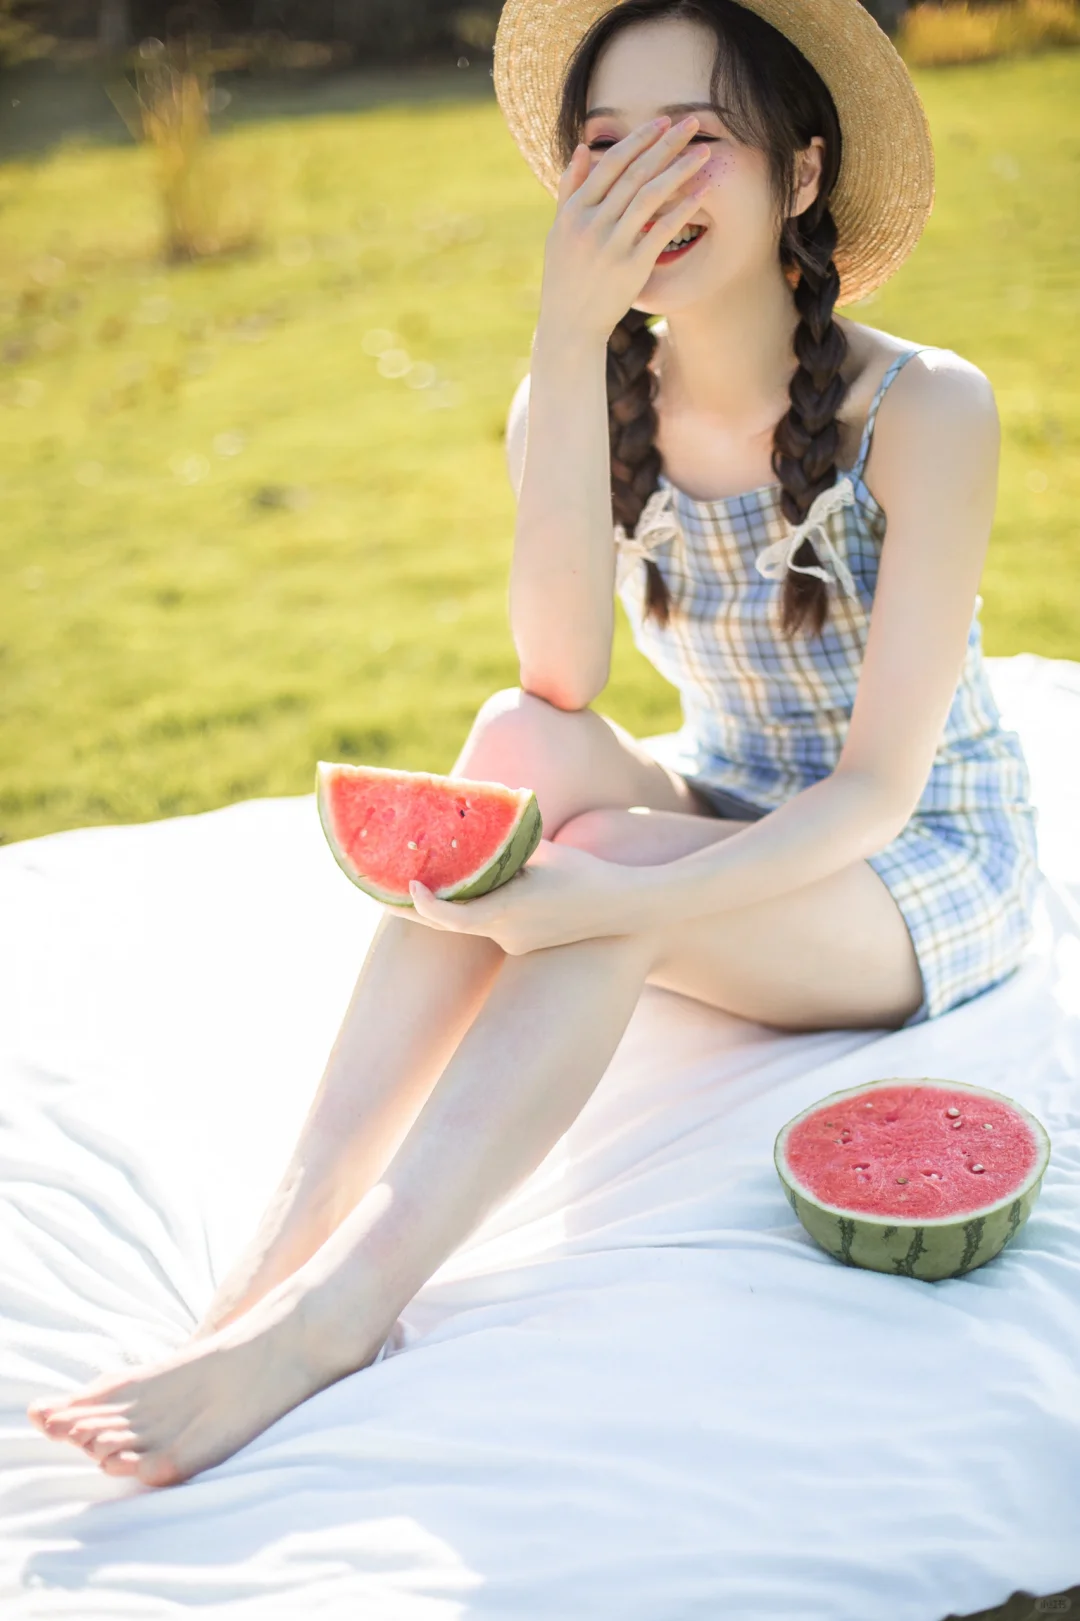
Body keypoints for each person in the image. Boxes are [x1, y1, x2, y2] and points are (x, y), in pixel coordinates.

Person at [27, 0, 1040, 1488]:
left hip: (912, 867)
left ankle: (338, 1317)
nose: (648, 181)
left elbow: (879, 792)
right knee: (514, 739)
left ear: (803, 175)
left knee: (608, 845)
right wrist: (568, 346)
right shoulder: (577, 392)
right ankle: (270, 1264)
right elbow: (560, 676)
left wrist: (620, 895)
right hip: (730, 803)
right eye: (608, 144)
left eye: (699, 137)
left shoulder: (922, 408)